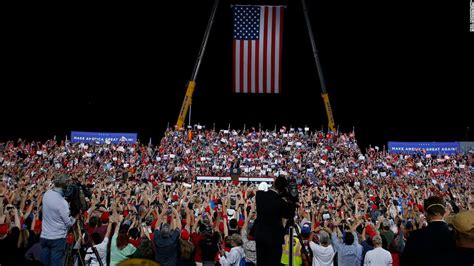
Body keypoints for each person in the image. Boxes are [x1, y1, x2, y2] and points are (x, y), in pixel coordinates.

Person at [401, 196, 456, 266]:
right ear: (443, 212)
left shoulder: (415, 236)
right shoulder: (455, 235)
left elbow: (405, 262)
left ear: (426, 213)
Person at [40, 175, 78, 266]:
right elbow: (69, 223)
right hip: (57, 238)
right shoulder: (62, 202)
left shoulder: (47, 194)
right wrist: (76, 217)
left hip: (44, 236)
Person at [254, 177, 291, 266]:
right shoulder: (281, 202)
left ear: (274, 184)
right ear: (283, 189)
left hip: (260, 236)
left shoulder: (259, 195)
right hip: (275, 238)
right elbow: (287, 215)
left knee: (261, 262)